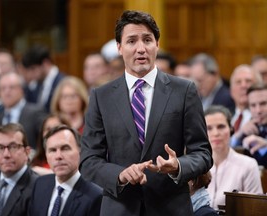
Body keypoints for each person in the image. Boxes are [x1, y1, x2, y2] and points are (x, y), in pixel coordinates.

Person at [79, 10, 213, 216]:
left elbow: (203, 153)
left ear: (157, 45)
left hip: (170, 208)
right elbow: (88, 160)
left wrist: (178, 165)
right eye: (132, 41)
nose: (141, 48)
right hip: (120, 208)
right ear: (119, 47)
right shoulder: (101, 96)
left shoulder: (184, 90)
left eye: (147, 40)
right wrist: (120, 174)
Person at [29, 125, 102, 216]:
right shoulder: (40, 184)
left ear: (80, 151)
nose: (58, 156)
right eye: (52, 150)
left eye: (65, 148)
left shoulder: (95, 195)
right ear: (46, 155)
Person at [204, 105, 263, 210]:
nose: (216, 133)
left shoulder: (248, 165)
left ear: (231, 129)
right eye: (209, 128)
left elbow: (255, 210)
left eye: (221, 126)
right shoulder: (197, 167)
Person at [0, 123, 38, 216]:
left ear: (27, 152)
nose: (6, 154)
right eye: (0, 148)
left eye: (13, 147)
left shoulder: (36, 187)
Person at [231, 84, 267, 168]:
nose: (258, 110)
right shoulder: (248, 127)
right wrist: (238, 135)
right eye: (253, 105)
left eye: (263, 104)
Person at [21, 44, 65, 112]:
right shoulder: (34, 85)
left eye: (33, 69)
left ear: (45, 63)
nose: (30, 74)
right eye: (28, 70)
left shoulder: (63, 82)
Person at [229, 64, 262, 133]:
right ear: (231, 91)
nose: (243, 86)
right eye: (238, 82)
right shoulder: (226, 117)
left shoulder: (263, 117)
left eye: (248, 81)